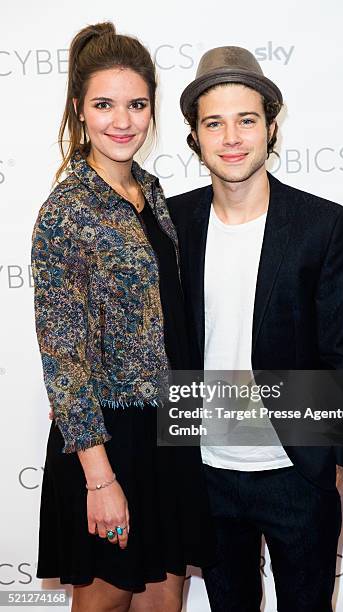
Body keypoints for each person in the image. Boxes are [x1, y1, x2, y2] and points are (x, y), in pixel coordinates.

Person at [167, 46, 343, 612]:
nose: (231, 136)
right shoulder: (172, 223)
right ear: (195, 137)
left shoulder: (321, 223)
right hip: (204, 473)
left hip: (295, 475)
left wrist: (334, 464)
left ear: (270, 126)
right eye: (214, 123)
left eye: (246, 119)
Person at [31, 22, 214, 612]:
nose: (122, 121)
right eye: (104, 105)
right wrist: (99, 478)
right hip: (108, 442)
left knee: (166, 599)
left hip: (168, 428)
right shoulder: (65, 213)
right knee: (106, 601)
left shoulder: (151, 191)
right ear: (79, 110)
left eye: (137, 105)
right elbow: (64, 359)